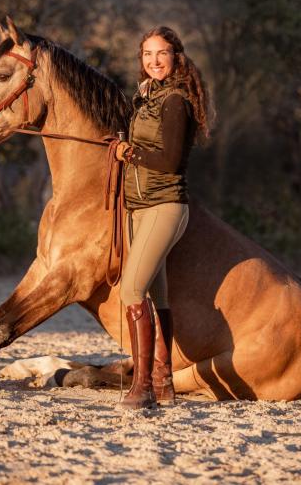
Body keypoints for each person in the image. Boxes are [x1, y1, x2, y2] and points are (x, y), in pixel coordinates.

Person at [115, 26, 212, 409]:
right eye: (147, 54)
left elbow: (169, 162)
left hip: (164, 205)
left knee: (130, 290)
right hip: (139, 206)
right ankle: (164, 382)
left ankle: (142, 388)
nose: (154, 61)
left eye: (162, 53)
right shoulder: (146, 97)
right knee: (158, 294)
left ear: (176, 57)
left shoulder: (175, 101)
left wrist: (129, 153)